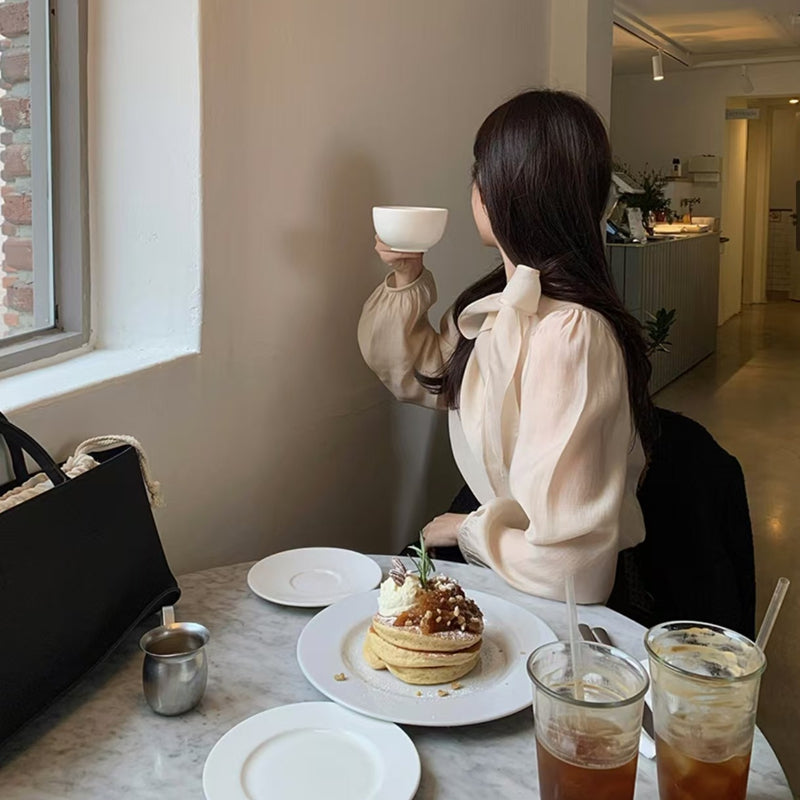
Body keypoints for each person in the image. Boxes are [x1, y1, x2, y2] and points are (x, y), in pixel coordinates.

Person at [358, 90, 656, 604]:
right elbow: (427, 375)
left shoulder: (569, 334)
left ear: (508, 190)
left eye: (480, 171)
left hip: (545, 596)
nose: (473, 187)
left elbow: (572, 570)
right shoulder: (503, 302)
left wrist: (468, 529)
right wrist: (406, 276)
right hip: (509, 558)